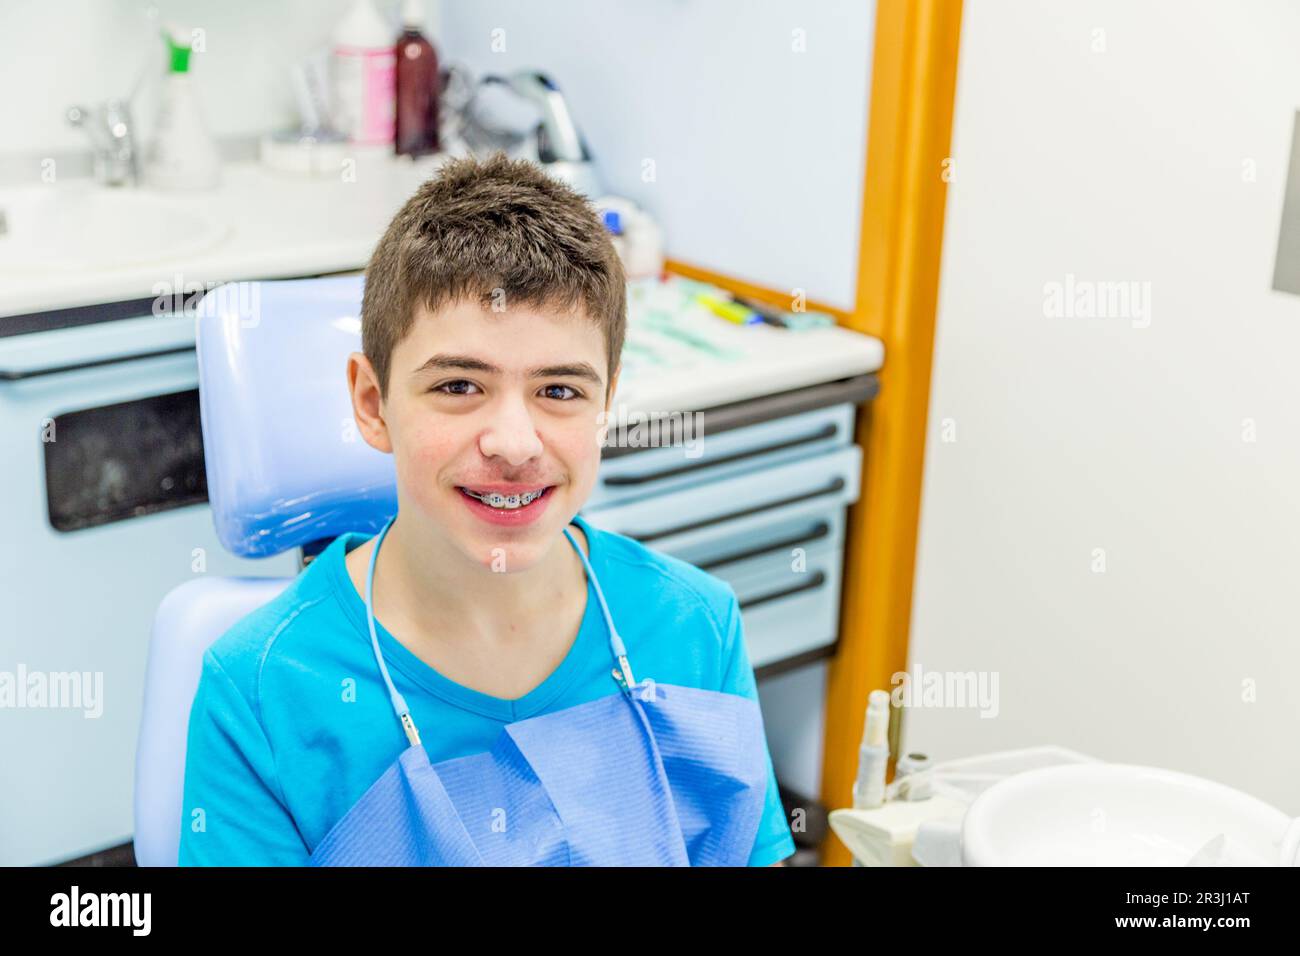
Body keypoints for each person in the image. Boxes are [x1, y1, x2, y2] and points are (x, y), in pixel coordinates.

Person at [178, 153, 796, 866]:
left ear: (606, 402)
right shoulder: (263, 694)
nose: (513, 443)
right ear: (373, 403)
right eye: (460, 386)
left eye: (559, 391)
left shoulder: (693, 629)